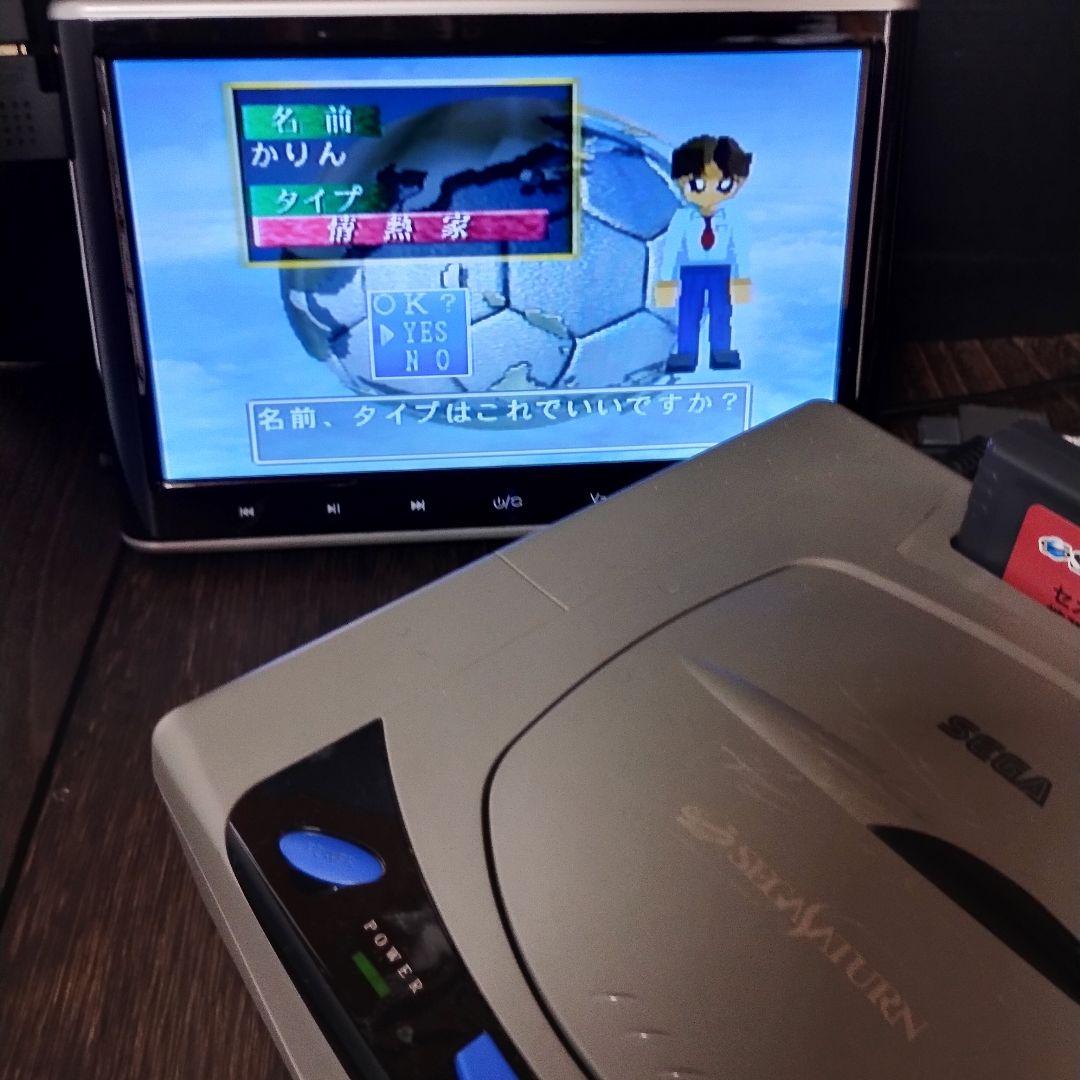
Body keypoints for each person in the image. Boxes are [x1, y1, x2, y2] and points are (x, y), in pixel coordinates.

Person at [654, 135, 753, 372]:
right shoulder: (682, 218)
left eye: (724, 184)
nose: (709, 192)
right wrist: (666, 281)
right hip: (691, 272)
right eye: (697, 184)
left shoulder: (732, 218)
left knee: (721, 313)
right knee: (688, 313)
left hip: (721, 272)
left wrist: (742, 279)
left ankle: (721, 352)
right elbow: (672, 248)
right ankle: (686, 354)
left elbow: (739, 249)